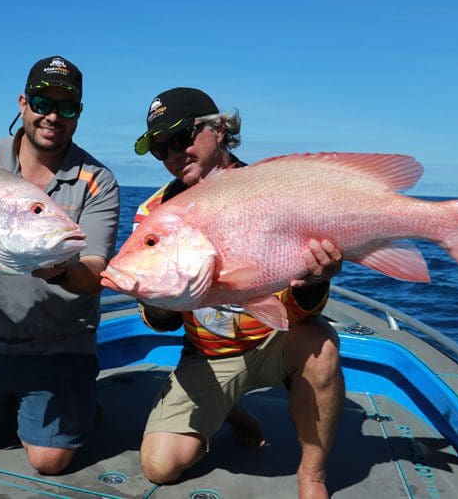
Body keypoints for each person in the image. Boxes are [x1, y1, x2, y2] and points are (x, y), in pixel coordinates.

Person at [132, 87, 345, 498]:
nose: (173, 154)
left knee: (321, 348)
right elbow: (162, 324)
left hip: (275, 339)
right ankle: (232, 407)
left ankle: (313, 475)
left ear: (220, 130)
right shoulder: (154, 214)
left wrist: (317, 278)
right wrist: (152, 297)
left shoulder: (274, 193)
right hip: (208, 355)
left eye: (181, 138)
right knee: (159, 467)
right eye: (160, 148)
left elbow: (298, 316)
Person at [0, 56, 120, 474]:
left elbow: (95, 270)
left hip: (62, 341)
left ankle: (74, 391)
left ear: (78, 115)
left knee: (50, 461)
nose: (52, 116)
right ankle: (19, 397)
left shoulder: (97, 180)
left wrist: (62, 269)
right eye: (43, 101)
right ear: (23, 102)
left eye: (67, 107)